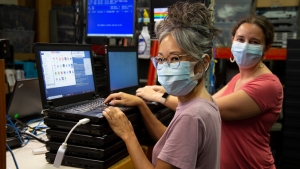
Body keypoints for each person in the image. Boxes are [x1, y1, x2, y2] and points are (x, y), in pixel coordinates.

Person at [137, 15, 283, 169]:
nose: (245, 46)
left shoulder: (268, 85)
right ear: (233, 40)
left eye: (254, 42)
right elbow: (206, 101)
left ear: (266, 48)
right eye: (240, 39)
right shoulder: (238, 79)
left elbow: (208, 107)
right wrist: (167, 88)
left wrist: (162, 96)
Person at [102, 1, 222, 169]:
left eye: (175, 59)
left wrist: (127, 134)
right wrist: (141, 105)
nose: (165, 67)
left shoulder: (191, 116)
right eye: (161, 59)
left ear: (202, 63)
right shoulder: (204, 102)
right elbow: (173, 143)